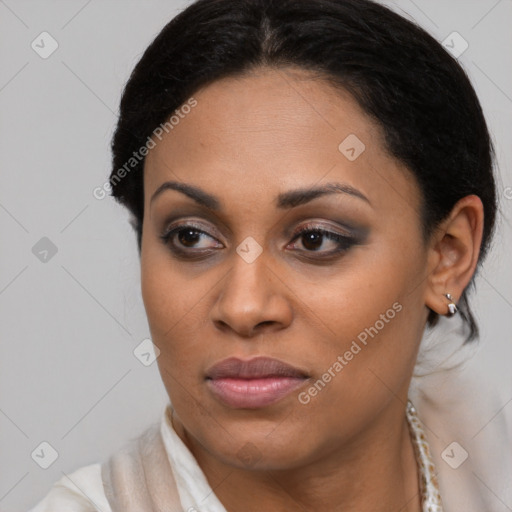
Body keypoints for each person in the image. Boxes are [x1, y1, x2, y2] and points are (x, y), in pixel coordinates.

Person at [29, 0, 510, 510]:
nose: (243, 307)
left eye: (315, 239)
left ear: (447, 256)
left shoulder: (486, 460)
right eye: (191, 237)